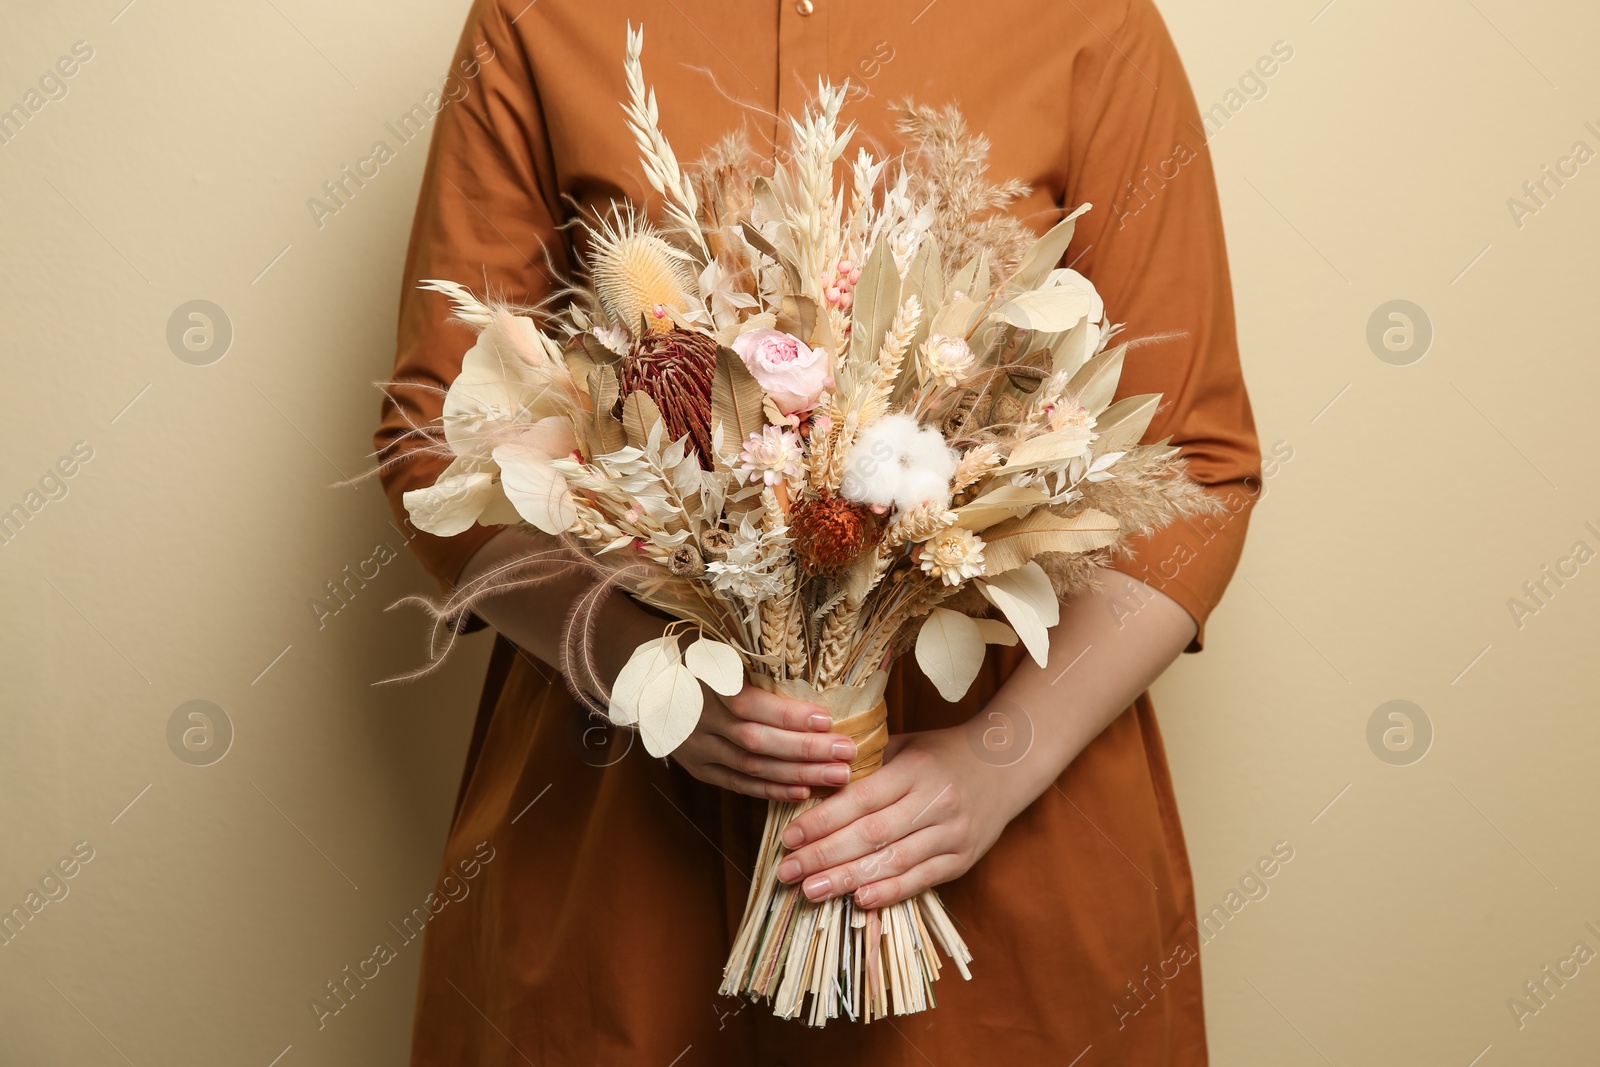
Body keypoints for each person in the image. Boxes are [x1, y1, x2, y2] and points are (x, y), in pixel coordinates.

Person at [375, 1, 1259, 1063]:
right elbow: (437, 438)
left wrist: (994, 763)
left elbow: (1195, 464)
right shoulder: (536, 16)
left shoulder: (1091, 23)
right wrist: (633, 668)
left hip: (998, 834)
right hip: (628, 822)